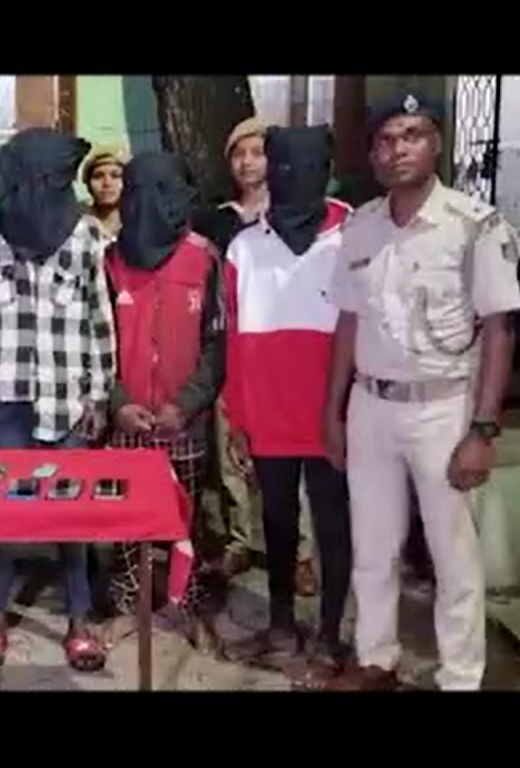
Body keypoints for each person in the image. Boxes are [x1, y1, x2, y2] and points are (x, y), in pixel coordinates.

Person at [323, 93, 520, 692]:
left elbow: (500, 329)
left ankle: (460, 675)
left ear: (436, 143)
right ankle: (376, 658)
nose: (397, 150)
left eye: (411, 135)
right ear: (372, 154)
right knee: (372, 544)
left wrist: (483, 429)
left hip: (444, 408)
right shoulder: (360, 226)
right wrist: (333, 411)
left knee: (452, 552)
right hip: (371, 405)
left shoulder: (474, 224)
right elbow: (348, 321)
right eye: (385, 140)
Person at [0, 128, 117, 672]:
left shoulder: (86, 235)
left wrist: (99, 394)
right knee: (3, 509)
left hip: (66, 396)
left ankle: (79, 619)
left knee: (70, 510)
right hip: (3, 396)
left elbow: (99, 318)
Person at [220, 125, 354, 678]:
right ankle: (280, 626)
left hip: (333, 413)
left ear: (327, 172)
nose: (293, 179)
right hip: (268, 412)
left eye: (308, 168)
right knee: (276, 524)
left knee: (333, 524)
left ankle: (330, 634)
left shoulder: (354, 235)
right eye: (283, 168)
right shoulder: (244, 246)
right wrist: (236, 416)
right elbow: (232, 338)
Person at [103, 150, 226, 654]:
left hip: (183, 420)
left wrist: (186, 405)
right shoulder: (108, 261)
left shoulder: (205, 257)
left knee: (186, 517)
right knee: (124, 519)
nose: (148, 205)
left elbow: (218, 344)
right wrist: (118, 403)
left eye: (162, 192)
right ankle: (127, 606)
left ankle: (187, 606)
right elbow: (95, 341)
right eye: (137, 193)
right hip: (127, 419)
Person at [204, 116, 319, 598]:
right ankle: (239, 539)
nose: (248, 162)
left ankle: (300, 553)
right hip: (231, 345)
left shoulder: (298, 212)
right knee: (231, 446)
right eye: (239, 153)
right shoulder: (217, 220)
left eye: (258, 152)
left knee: (289, 454)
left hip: (283, 353)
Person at [82, 145, 127, 239]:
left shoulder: (145, 225)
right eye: (98, 176)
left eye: (115, 176)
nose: (107, 183)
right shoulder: (72, 226)